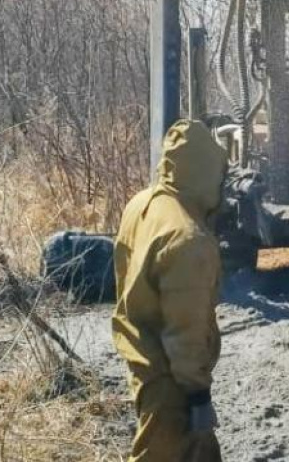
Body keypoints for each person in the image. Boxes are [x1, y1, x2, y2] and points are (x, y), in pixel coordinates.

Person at [112, 119, 229, 462]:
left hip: (140, 357)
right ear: (205, 171)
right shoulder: (188, 239)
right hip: (170, 382)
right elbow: (185, 334)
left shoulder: (142, 204)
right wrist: (197, 394)